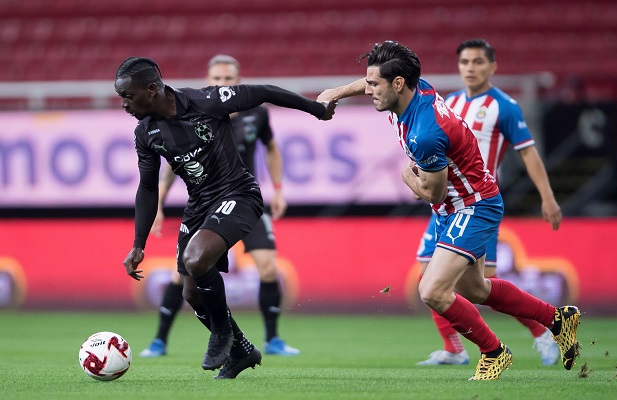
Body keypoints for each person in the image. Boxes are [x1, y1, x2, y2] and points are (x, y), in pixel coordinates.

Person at [317, 41, 580, 381]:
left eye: (374, 85)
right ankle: (559, 319)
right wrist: (337, 92)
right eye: (367, 83)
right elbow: (372, 82)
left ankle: (494, 352)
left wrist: (406, 177)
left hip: (472, 205)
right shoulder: (416, 88)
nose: (369, 91)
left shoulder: (425, 134)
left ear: (398, 84)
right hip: (459, 204)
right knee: (477, 290)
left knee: (432, 290)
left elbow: (433, 192)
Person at [117, 56, 335, 379]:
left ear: (151, 90)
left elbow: (262, 92)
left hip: (239, 194)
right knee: (191, 292)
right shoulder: (145, 133)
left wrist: (317, 110)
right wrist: (138, 242)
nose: (124, 104)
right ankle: (242, 351)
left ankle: (222, 332)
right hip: (199, 205)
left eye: (128, 96)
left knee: (196, 258)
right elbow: (147, 189)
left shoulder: (205, 100)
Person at [139, 54, 300, 359]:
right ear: (208, 81)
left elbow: (272, 148)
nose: (222, 83)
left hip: (243, 200)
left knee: (268, 267)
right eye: (217, 79)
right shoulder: (197, 111)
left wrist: (278, 189)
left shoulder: (257, 114)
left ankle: (273, 339)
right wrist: (158, 203)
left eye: (228, 79)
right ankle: (159, 340)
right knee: (183, 275)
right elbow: (174, 164)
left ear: (237, 83)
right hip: (207, 202)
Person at [414, 38, 563, 366]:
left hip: (477, 203)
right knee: (429, 275)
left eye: (478, 62)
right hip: (444, 204)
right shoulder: (447, 102)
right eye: (465, 62)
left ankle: (541, 329)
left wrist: (548, 197)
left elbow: (528, 152)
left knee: (478, 286)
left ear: (492, 67)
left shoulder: (504, 106)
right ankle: (453, 348)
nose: (470, 68)